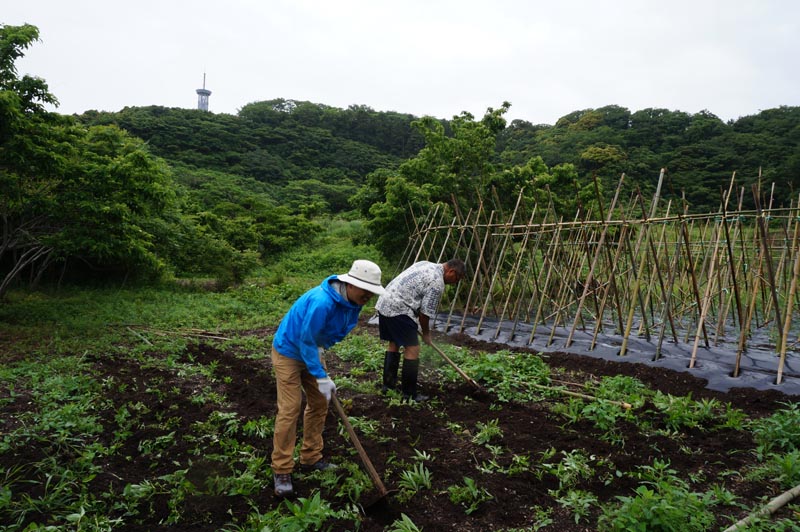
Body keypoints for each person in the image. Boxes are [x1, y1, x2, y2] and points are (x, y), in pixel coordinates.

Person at [271, 259, 385, 498]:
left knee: (320, 404)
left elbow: (320, 338)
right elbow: (305, 340)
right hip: (289, 351)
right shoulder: (322, 302)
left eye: (372, 293)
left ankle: (310, 458)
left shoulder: (354, 301)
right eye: (366, 291)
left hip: (313, 349)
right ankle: (282, 469)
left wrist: (319, 364)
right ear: (351, 284)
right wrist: (321, 375)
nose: (369, 297)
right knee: (290, 408)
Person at [375, 258, 466, 402]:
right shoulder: (437, 283)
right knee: (413, 349)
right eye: (457, 279)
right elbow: (424, 314)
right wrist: (426, 334)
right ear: (451, 271)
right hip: (400, 308)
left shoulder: (425, 263)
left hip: (385, 301)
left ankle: (388, 386)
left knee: (394, 342)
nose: (455, 282)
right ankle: (409, 394)